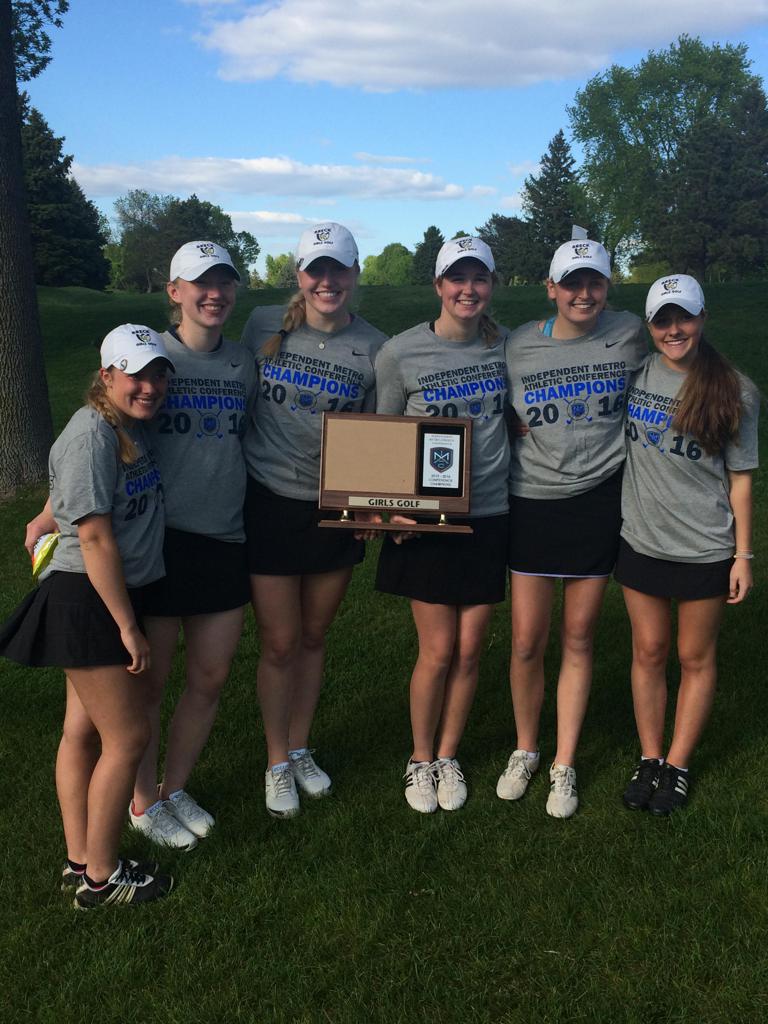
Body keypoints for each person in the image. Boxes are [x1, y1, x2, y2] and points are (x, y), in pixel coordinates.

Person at [26, 242, 257, 851]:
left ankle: (173, 788)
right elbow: (98, 449)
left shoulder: (241, 364)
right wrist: (53, 510)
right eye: (199, 283)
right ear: (174, 292)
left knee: (209, 676)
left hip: (226, 534)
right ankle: (142, 801)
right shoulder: (144, 354)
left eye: (224, 282)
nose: (214, 294)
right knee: (145, 688)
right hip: (154, 545)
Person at [0, 325, 175, 908]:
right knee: (127, 737)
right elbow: (97, 538)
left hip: (99, 594)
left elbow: (68, 487)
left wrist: (46, 514)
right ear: (107, 375)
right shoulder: (92, 436)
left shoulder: (121, 427)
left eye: (157, 374)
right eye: (136, 375)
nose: (148, 386)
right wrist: (127, 626)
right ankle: (103, 879)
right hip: (92, 598)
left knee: (80, 731)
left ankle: (81, 861)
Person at [241, 222, 386, 818]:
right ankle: (277, 761)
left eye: (338, 270)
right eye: (315, 270)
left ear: (354, 274)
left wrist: (373, 507)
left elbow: (380, 435)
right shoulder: (261, 323)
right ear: (299, 276)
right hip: (269, 498)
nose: (327, 281)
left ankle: (300, 746)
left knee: (314, 636)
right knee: (279, 642)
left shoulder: (377, 346)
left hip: (335, 507)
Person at [499, 238, 647, 818]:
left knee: (580, 637)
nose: (584, 294)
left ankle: (564, 762)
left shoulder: (631, 332)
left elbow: (683, 362)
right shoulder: (518, 346)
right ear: (551, 288)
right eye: (572, 283)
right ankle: (526, 748)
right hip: (533, 501)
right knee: (527, 640)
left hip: (598, 499)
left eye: (595, 283)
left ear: (607, 286)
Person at [374, 237, 510, 813]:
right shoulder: (400, 354)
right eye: (457, 279)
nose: (468, 289)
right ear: (438, 287)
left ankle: (449, 755)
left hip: (490, 513)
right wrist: (390, 507)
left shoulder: (508, 348)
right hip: (426, 522)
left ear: (491, 285)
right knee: (436, 649)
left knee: (471, 648)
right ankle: (419, 758)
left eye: (478, 278)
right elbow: (380, 441)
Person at [615, 275, 759, 815]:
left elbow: (741, 478)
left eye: (684, 318)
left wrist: (743, 554)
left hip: (704, 546)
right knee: (648, 651)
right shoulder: (638, 374)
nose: (674, 330)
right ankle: (650, 757)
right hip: (642, 539)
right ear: (650, 326)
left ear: (702, 318)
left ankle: (676, 765)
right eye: (662, 321)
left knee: (693, 656)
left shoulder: (736, 389)